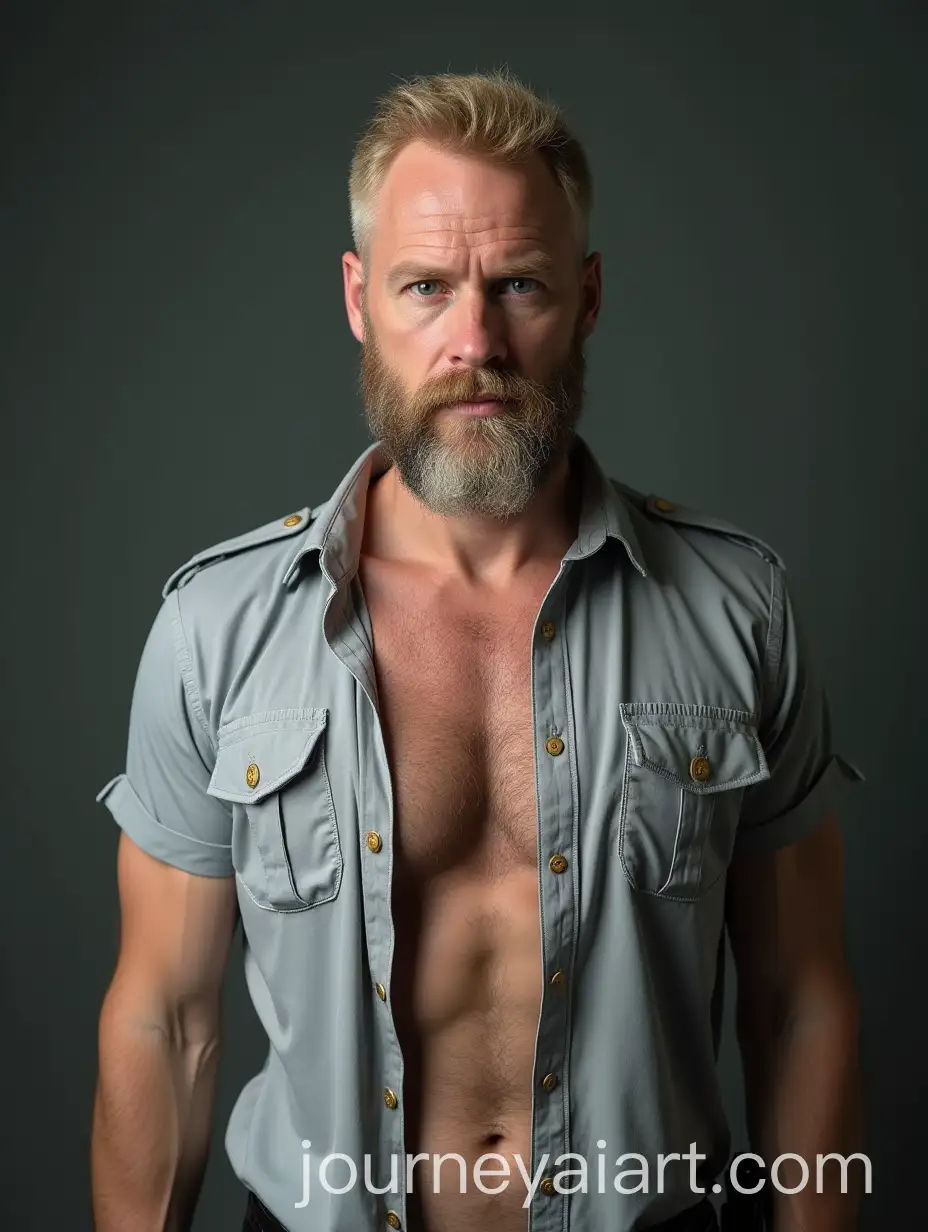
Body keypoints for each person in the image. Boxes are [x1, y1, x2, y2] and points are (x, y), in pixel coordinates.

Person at [90, 70, 866, 1232]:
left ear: (588, 297)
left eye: (519, 285)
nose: (473, 339)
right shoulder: (223, 628)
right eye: (424, 287)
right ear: (358, 299)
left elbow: (798, 1001)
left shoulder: (732, 608)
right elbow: (167, 1018)